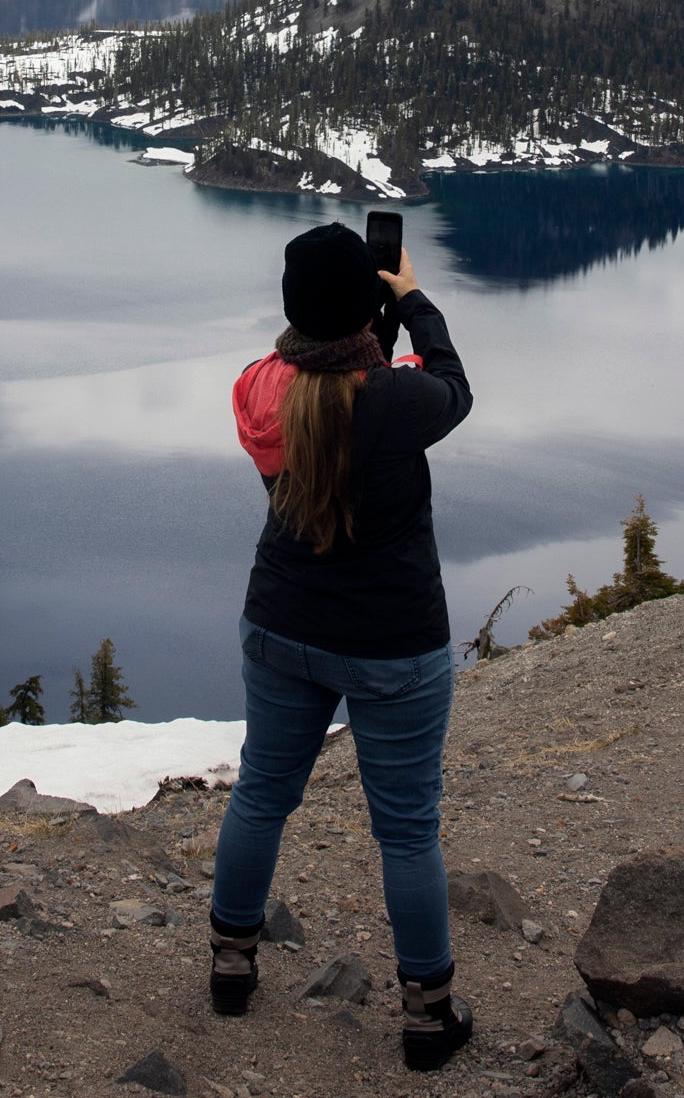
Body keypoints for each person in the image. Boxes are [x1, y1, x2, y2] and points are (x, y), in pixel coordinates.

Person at [208, 220, 476, 1073]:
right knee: (405, 832)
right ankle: (428, 1018)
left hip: (283, 629)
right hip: (393, 645)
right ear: (365, 309)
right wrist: (413, 299)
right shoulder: (397, 401)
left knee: (260, 795)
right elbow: (452, 387)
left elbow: (319, 377)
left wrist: (356, 328)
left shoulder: (259, 389)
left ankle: (230, 966)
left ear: (292, 311)